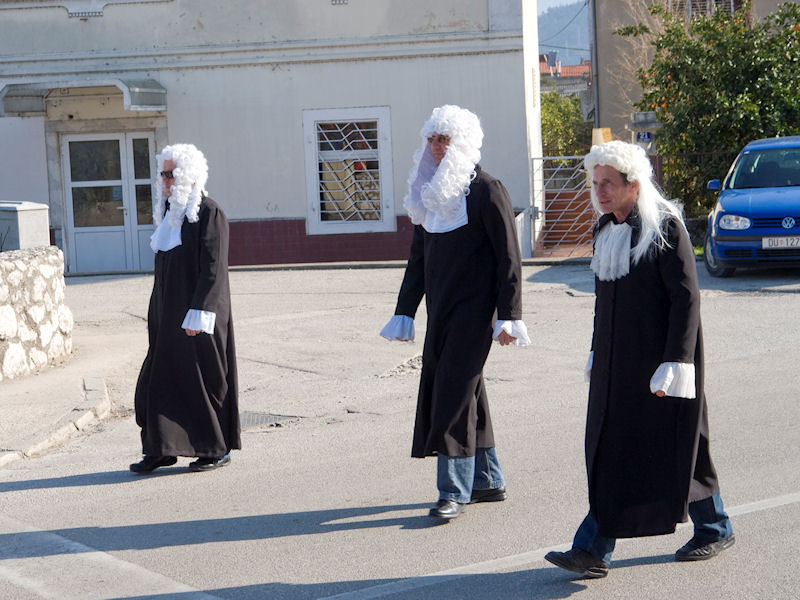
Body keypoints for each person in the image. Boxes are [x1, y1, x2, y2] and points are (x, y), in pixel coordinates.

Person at [545, 140, 734, 578]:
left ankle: (713, 526)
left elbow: (686, 298)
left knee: (682, 443)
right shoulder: (604, 228)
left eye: (608, 183)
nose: (599, 191)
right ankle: (594, 549)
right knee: (614, 447)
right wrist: (597, 350)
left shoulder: (664, 227)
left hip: (662, 361)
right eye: (595, 183)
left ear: (633, 185)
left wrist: (677, 362)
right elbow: (604, 300)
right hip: (617, 362)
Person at [381, 105, 530, 520]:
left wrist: (509, 316)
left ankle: (453, 491)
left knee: (452, 393)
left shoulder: (487, 190)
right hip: (441, 311)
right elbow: (418, 259)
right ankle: (487, 479)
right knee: (467, 392)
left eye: (444, 139)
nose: (436, 146)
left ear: (461, 142)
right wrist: (404, 312)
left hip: (476, 313)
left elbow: (509, 258)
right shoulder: (428, 193)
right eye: (432, 139)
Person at [130, 143, 241, 474]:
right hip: (167, 317)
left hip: (198, 317)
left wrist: (200, 312)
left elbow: (213, 269)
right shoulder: (170, 214)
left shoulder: (209, 213)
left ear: (187, 175)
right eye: (163, 174)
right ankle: (161, 448)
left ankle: (215, 448)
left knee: (203, 384)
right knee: (158, 380)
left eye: (171, 174)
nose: (165, 181)